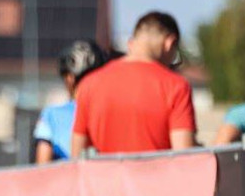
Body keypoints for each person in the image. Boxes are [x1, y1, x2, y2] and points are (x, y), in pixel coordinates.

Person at [71, 12, 196, 156]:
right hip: (155, 171)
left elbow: (77, 155)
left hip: (104, 171)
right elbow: (183, 157)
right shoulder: (176, 86)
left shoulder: (89, 84)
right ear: (169, 43)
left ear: (132, 42)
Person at [34, 40, 108, 163]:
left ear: (70, 78)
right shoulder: (112, 111)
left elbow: (42, 165)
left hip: (69, 174)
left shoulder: (51, 115)